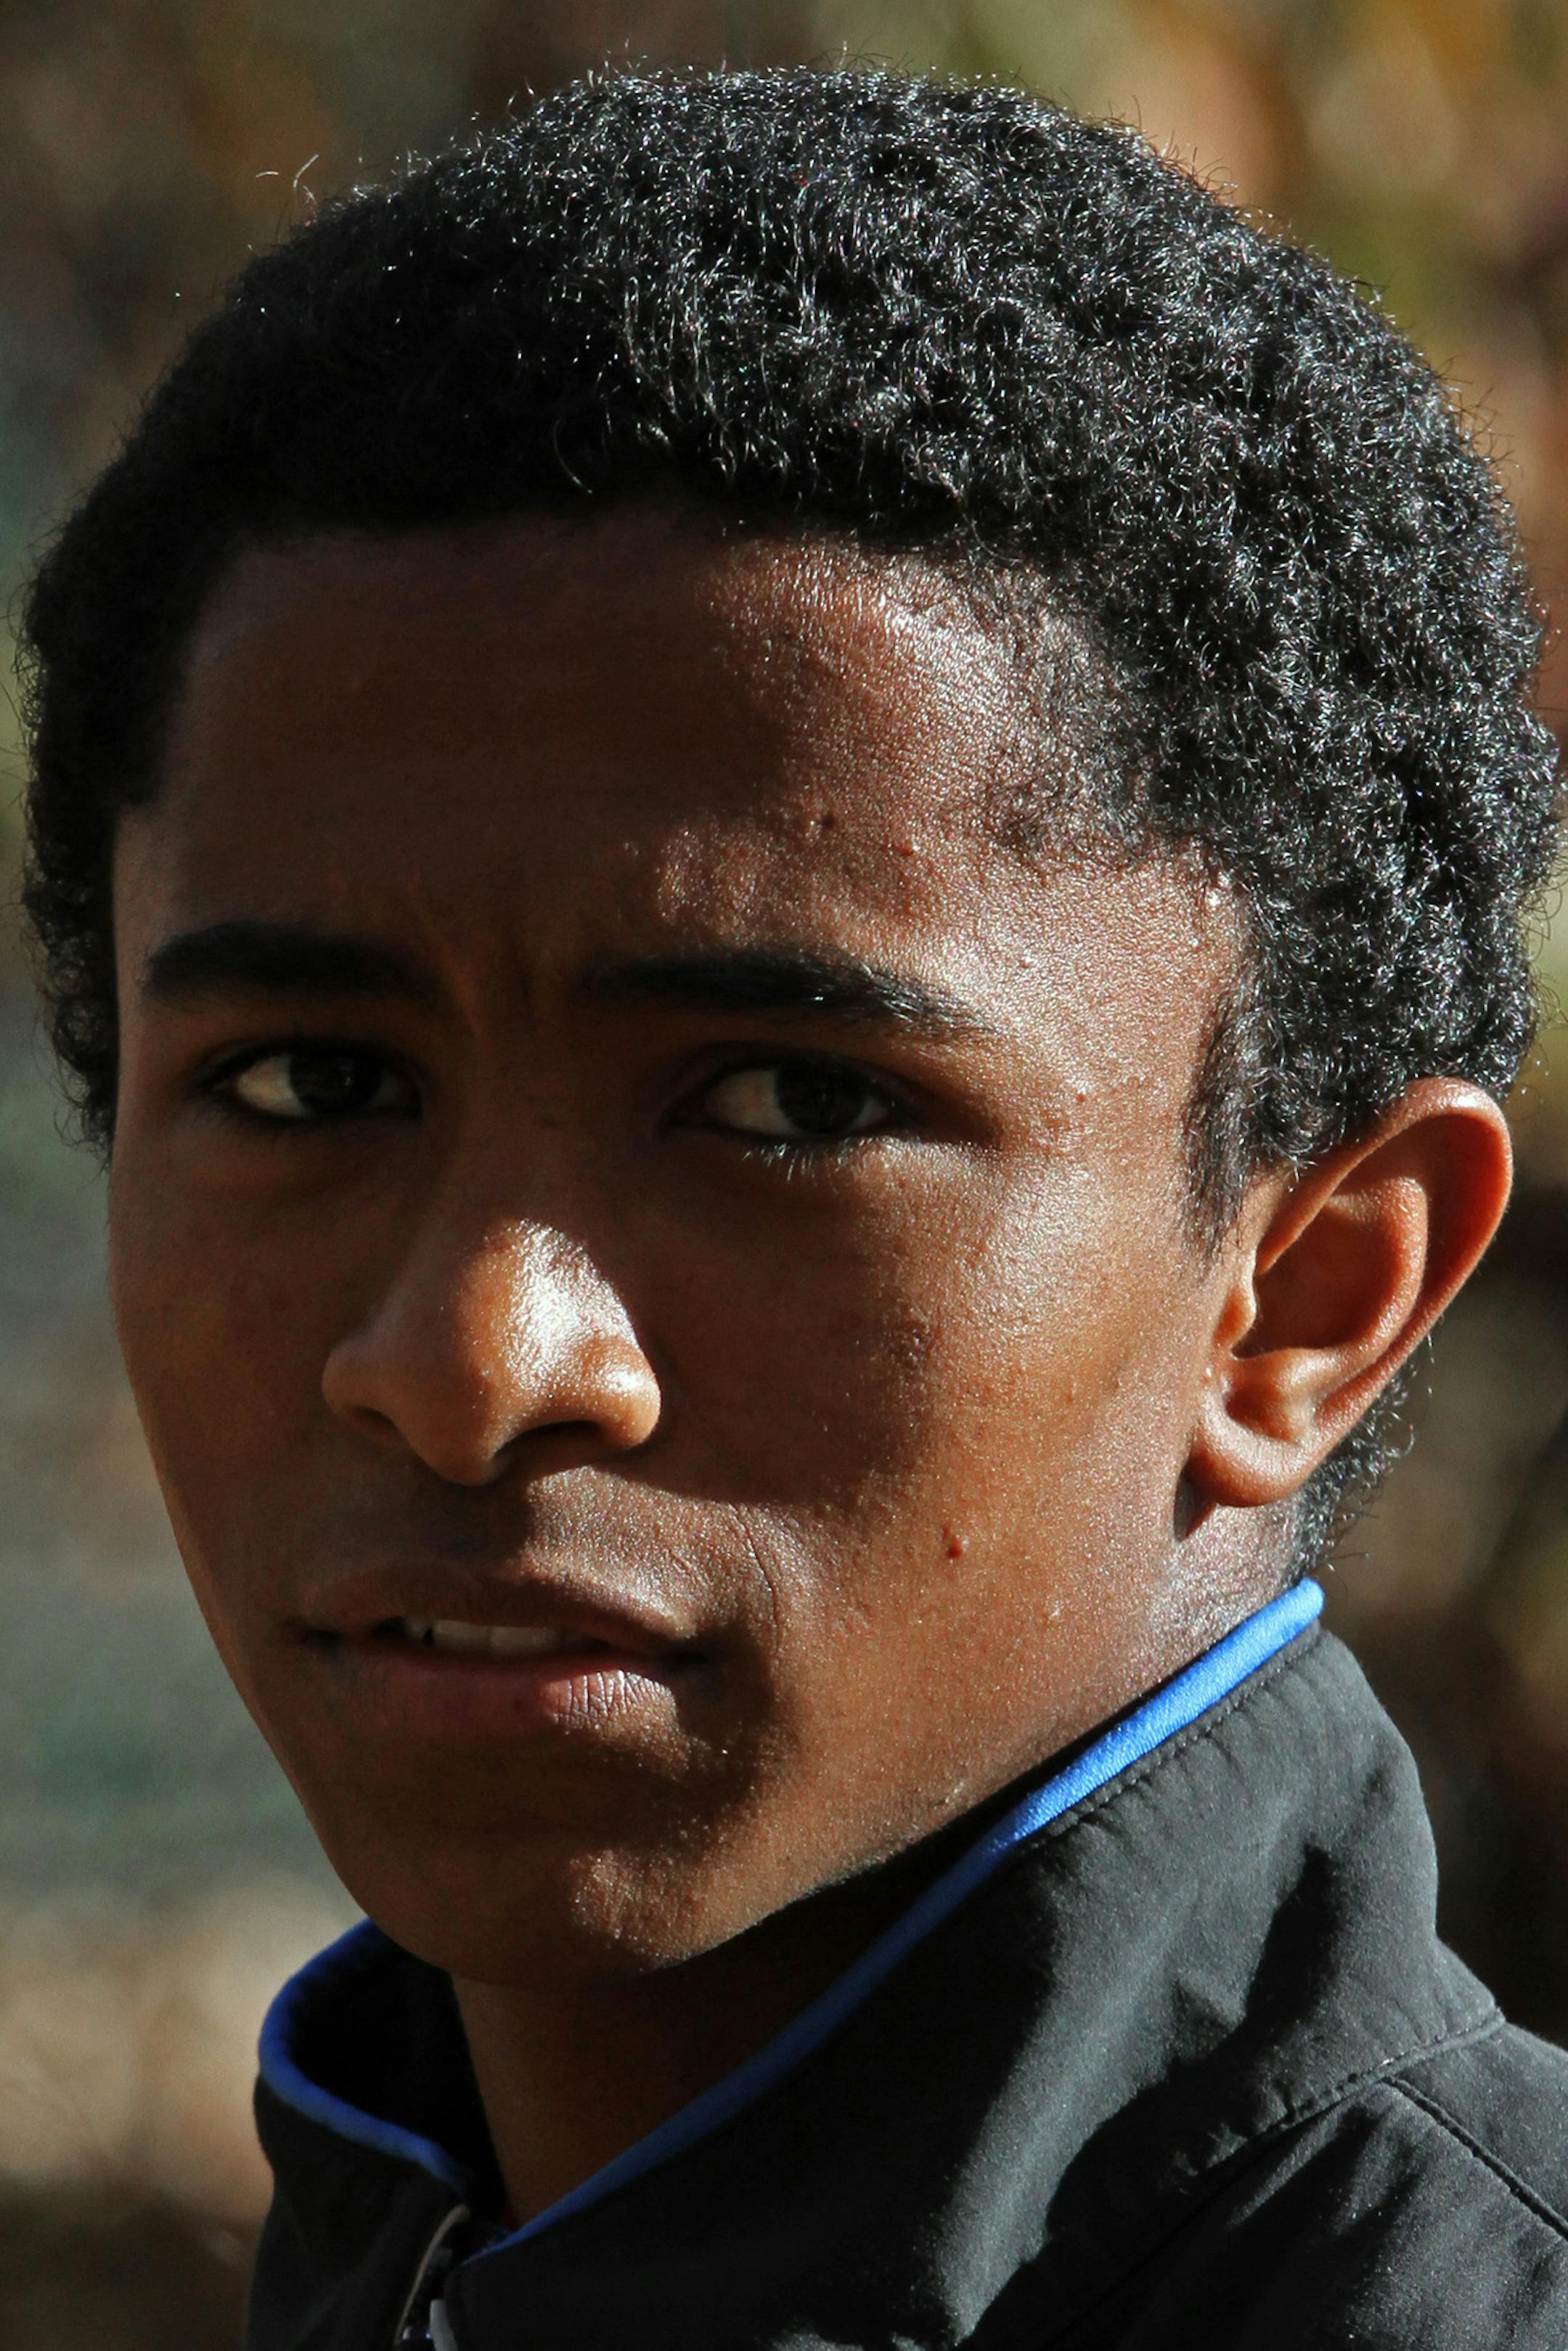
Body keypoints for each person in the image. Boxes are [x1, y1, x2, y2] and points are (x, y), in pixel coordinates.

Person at [18, 63, 1568, 2351]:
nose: (470, 1357)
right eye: (309, 1082)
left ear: (1308, 1290)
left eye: (782, 1106)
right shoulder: (430, 2234)